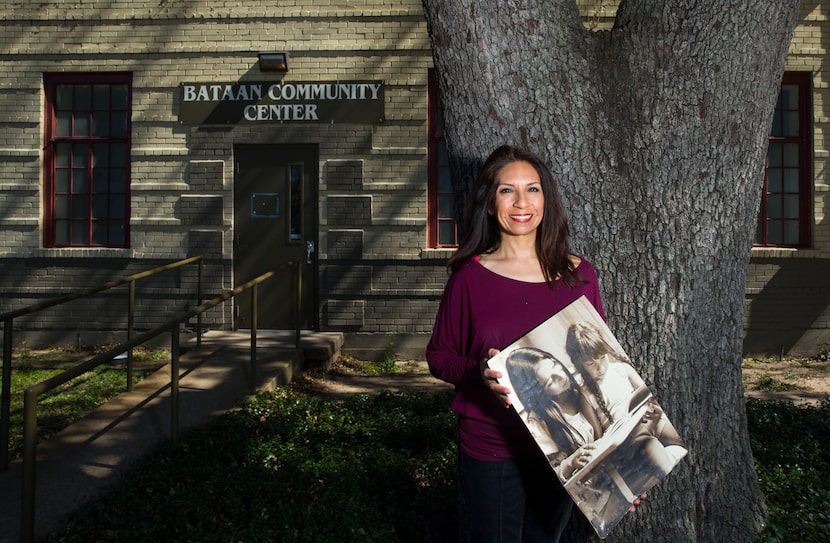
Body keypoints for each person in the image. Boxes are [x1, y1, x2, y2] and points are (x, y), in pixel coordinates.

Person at [426, 144, 638, 543]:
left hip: (565, 450)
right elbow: (438, 356)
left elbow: (601, 371)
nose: (522, 202)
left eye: (533, 189)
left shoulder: (580, 276)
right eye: (507, 190)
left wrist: (630, 464)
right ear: (490, 204)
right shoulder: (469, 278)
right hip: (492, 446)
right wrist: (478, 372)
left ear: (547, 199)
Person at [565, 321, 686, 480]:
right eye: (590, 364)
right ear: (579, 365)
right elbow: (601, 436)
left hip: (650, 418)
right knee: (653, 453)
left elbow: (647, 395)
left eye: (602, 358)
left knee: (677, 440)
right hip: (630, 438)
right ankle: (663, 459)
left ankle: (669, 455)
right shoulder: (585, 394)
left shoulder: (621, 369)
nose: (600, 367)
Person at [504, 347, 600, 479]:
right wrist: (570, 463)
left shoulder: (579, 389)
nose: (560, 376)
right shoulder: (538, 424)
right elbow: (545, 476)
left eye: (554, 365)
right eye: (550, 381)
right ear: (538, 394)